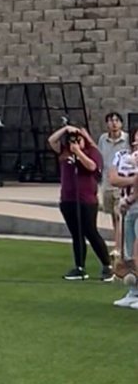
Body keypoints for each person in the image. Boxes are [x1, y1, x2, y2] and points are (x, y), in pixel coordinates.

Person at [48, 125, 113, 281]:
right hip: (68, 199)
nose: (75, 143)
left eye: (79, 140)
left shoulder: (92, 152)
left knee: (90, 232)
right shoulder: (64, 152)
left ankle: (107, 265)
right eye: (72, 141)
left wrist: (78, 152)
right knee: (76, 234)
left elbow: (92, 166)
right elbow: (51, 140)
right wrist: (65, 129)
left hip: (86, 200)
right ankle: (80, 267)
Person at [109, 126, 138, 308]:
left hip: (132, 203)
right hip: (127, 207)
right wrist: (133, 181)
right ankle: (134, 291)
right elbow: (113, 179)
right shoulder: (122, 156)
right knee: (128, 251)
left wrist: (131, 196)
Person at [98, 112, 128, 257]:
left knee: (119, 215)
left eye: (116, 120)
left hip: (121, 184)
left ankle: (119, 248)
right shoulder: (103, 139)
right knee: (113, 217)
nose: (114, 123)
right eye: (110, 121)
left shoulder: (126, 139)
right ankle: (119, 243)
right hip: (107, 183)